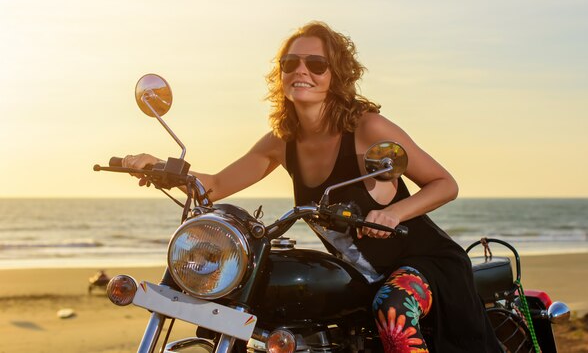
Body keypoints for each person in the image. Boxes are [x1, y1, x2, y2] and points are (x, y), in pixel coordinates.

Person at [123, 21, 500, 352]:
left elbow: (444, 183)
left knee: (393, 308)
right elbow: (217, 184)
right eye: (291, 63)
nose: (301, 71)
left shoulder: (368, 129)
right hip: (360, 272)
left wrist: (394, 212)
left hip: (423, 263)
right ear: (281, 73)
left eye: (316, 64)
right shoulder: (282, 140)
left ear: (335, 74)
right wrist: (159, 166)